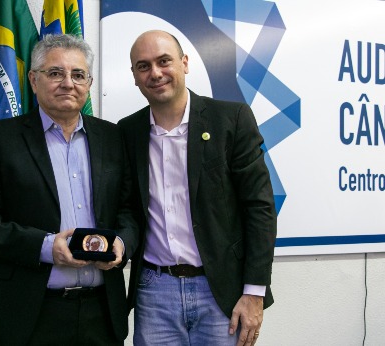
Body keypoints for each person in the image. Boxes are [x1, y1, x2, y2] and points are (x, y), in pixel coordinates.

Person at [0, 34, 139, 346]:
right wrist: (45, 247)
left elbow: (129, 210)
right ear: (33, 79)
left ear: (90, 82)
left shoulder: (112, 137)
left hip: (102, 314)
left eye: (78, 74)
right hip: (29, 314)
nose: (68, 83)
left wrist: (122, 244)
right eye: (55, 73)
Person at [118, 30, 277, 346]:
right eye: (143, 66)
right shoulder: (127, 131)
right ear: (135, 76)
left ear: (185, 63)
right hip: (153, 292)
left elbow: (259, 208)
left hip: (220, 291)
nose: (156, 73)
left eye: (164, 61)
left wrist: (254, 292)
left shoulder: (231, 119)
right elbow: (128, 208)